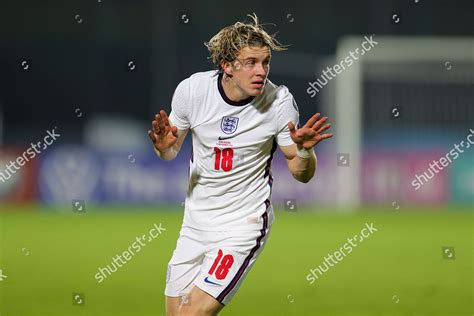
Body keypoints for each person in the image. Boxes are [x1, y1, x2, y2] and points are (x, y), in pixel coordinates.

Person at [148, 13, 333, 316]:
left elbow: (301, 174)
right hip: (195, 224)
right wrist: (163, 148)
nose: (261, 71)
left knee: (192, 313)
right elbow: (170, 153)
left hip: (241, 225)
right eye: (251, 63)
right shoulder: (192, 91)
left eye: (265, 62)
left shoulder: (279, 102)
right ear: (227, 65)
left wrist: (303, 150)